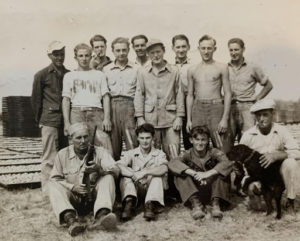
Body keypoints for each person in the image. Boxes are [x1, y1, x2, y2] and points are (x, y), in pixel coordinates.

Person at [48, 122, 119, 236]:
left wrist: (99, 169)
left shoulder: (100, 152)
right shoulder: (62, 154)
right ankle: (71, 220)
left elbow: (116, 171)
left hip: (95, 198)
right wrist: (73, 187)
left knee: (108, 177)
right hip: (74, 199)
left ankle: (102, 215)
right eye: (78, 138)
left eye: (86, 137)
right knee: (53, 185)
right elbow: (55, 179)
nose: (83, 141)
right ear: (71, 139)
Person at [240, 99, 300, 214]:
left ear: (272, 114)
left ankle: (290, 201)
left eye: (265, 115)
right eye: (258, 115)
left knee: (291, 163)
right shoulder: (248, 135)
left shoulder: (282, 131)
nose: (261, 119)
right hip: (258, 176)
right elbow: (239, 159)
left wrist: (278, 155)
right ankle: (260, 197)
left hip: (278, 174)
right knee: (256, 202)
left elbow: (297, 152)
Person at [134, 39, 185, 160]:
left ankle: (173, 179)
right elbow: (139, 94)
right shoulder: (142, 72)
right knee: (152, 155)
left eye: (158, 52)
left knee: (173, 154)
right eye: (152, 53)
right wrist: (140, 117)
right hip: (150, 120)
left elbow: (179, 94)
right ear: (148, 54)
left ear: (164, 51)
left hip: (171, 120)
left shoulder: (174, 71)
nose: (156, 55)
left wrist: (179, 117)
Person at [168, 126, 232, 220]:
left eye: (203, 140)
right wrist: (194, 173)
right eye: (197, 139)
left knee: (222, 172)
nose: (200, 143)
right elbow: (173, 163)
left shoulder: (214, 152)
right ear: (191, 140)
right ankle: (196, 204)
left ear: (207, 141)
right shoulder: (187, 153)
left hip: (213, 190)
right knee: (180, 175)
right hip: (196, 190)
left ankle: (216, 204)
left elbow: (227, 163)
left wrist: (208, 174)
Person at [31, 40, 69, 192]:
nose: (59, 57)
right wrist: (40, 120)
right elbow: (36, 100)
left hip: (65, 120)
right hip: (49, 120)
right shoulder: (41, 75)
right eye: (56, 54)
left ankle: (63, 188)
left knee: (65, 154)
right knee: (49, 157)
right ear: (49, 55)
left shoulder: (69, 74)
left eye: (62, 54)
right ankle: (47, 190)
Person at [62, 43, 112, 153]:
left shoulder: (99, 75)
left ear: (91, 56)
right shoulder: (69, 76)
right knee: (77, 145)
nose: (84, 59)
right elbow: (66, 99)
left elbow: (106, 97)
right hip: (77, 112)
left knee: (103, 144)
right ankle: (78, 169)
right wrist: (67, 122)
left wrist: (107, 118)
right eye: (81, 56)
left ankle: (106, 169)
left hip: (96, 112)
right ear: (75, 58)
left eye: (87, 55)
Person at [186, 35, 232, 153]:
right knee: (198, 143)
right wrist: (189, 119)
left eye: (209, 48)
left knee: (220, 144)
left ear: (214, 49)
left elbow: (227, 93)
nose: (206, 51)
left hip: (216, 108)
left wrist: (225, 118)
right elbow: (190, 95)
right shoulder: (192, 69)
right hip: (198, 109)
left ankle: (222, 170)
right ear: (198, 49)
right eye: (203, 48)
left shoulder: (222, 67)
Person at [117, 123, 168, 221]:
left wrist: (145, 172)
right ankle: (129, 204)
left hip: (151, 190)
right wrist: (132, 174)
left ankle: (150, 205)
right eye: (142, 138)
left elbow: (164, 168)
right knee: (125, 176)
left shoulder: (159, 154)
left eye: (148, 138)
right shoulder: (131, 153)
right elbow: (118, 165)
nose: (145, 141)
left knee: (157, 176)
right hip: (135, 190)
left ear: (153, 138)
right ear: (137, 138)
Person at [228, 38, 273, 141]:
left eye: (236, 50)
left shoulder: (253, 67)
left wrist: (257, 99)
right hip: (230, 108)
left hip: (247, 108)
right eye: (231, 50)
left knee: (247, 140)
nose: (233, 53)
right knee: (228, 142)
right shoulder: (225, 68)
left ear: (243, 49)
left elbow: (268, 85)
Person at [103, 37, 139, 161]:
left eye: (124, 50)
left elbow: (140, 93)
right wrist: (106, 117)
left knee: (132, 142)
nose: (121, 53)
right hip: (112, 107)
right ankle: (115, 176)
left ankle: (135, 174)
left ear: (129, 50)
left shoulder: (136, 68)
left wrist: (138, 115)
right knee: (113, 145)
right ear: (113, 51)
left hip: (130, 106)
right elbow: (105, 94)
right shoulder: (106, 69)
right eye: (118, 50)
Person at [172, 34, 193, 150]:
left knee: (188, 134)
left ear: (188, 47)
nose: (181, 50)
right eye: (178, 47)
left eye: (183, 47)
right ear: (173, 48)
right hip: (173, 103)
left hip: (189, 102)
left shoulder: (193, 66)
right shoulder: (169, 66)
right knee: (173, 136)